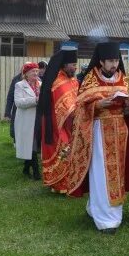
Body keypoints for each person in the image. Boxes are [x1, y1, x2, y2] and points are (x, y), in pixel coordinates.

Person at [62, 41, 129, 233]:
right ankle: (106, 219)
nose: (114, 65)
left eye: (117, 60)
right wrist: (98, 105)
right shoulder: (90, 80)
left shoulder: (122, 79)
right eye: (110, 61)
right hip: (99, 132)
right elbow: (81, 107)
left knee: (118, 173)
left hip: (120, 133)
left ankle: (108, 211)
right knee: (100, 173)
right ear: (101, 61)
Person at [37, 48, 79, 192]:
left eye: (75, 64)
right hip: (57, 124)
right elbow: (67, 107)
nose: (75, 67)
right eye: (72, 64)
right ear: (64, 65)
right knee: (63, 151)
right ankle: (60, 185)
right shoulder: (58, 81)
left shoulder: (72, 80)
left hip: (71, 123)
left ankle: (71, 183)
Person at [14, 62, 42, 179]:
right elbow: (19, 102)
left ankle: (26, 168)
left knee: (32, 144)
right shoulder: (19, 85)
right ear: (26, 74)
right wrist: (35, 100)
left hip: (39, 118)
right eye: (32, 72)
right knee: (31, 144)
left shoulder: (41, 84)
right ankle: (36, 173)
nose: (36, 73)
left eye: (37, 71)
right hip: (26, 120)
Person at [4, 71, 21, 142]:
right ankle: (15, 140)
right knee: (15, 128)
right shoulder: (16, 79)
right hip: (17, 107)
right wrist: (7, 113)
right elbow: (10, 96)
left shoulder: (38, 81)